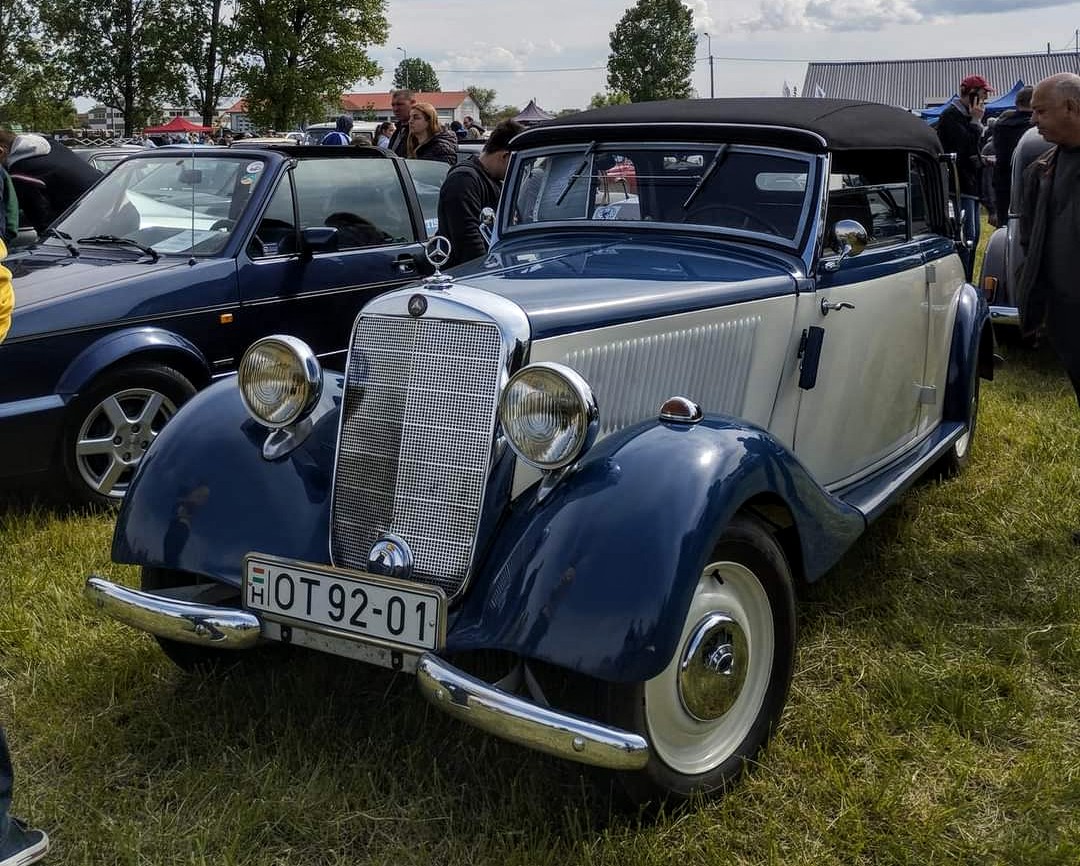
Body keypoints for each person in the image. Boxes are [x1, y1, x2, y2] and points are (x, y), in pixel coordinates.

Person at [1016, 73, 1080, 408]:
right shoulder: (1040, 171)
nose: (1033, 119)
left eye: (1041, 111)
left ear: (1070, 107)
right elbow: (1030, 240)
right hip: (1067, 320)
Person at [436, 119, 524, 267]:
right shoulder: (464, 180)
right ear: (504, 156)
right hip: (467, 275)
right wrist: (483, 270)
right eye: (515, 162)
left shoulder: (490, 180)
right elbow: (468, 236)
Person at [936, 74, 993, 277]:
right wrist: (976, 122)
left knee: (974, 237)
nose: (985, 98)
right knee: (966, 238)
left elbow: (973, 151)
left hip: (970, 185)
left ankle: (967, 280)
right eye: (982, 94)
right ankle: (962, 281)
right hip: (959, 186)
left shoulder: (964, 117)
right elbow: (962, 150)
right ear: (971, 94)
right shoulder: (951, 117)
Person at [0, 130, 101, 234]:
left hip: (85, 221)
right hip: (107, 200)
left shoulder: (21, 173)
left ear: (1, 151)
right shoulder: (51, 145)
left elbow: (41, 219)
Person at [991, 85, 1034, 225]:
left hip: (1004, 183)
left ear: (1016, 103)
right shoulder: (1036, 126)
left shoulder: (1001, 125)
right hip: (1032, 184)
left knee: (1006, 225)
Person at [387, 90, 416, 156]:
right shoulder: (398, 130)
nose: (395, 109)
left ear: (413, 103)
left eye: (400, 104)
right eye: (393, 105)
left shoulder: (420, 131)